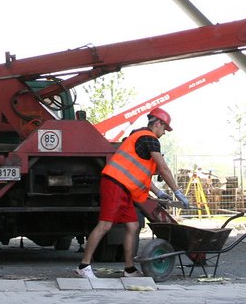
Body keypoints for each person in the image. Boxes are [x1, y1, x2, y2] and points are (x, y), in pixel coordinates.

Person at [76, 108, 189, 280]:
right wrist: (177, 191)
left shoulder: (138, 136)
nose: (165, 133)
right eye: (165, 128)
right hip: (115, 185)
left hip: (123, 188)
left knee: (133, 226)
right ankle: (83, 266)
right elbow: (163, 168)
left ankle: (129, 270)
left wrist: (159, 191)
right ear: (157, 123)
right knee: (105, 225)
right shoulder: (149, 139)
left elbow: (139, 173)